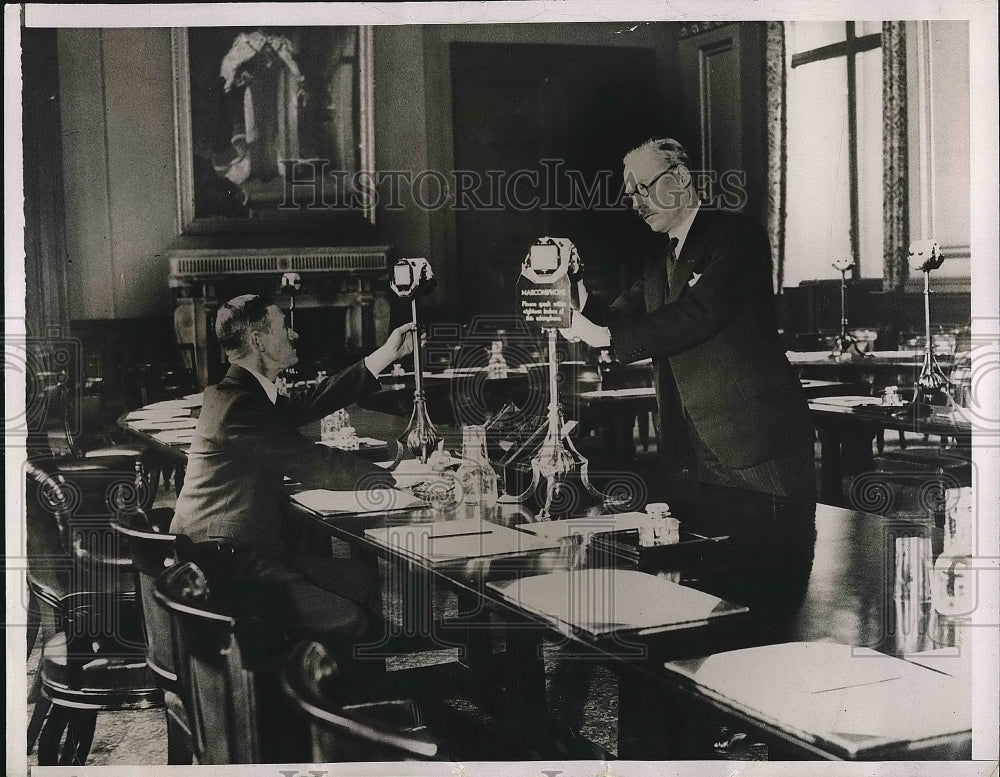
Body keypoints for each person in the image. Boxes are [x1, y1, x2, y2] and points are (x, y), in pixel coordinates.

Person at [561, 137, 816, 576]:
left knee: (776, 572)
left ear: (680, 177)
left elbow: (700, 313)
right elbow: (619, 317)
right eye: (630, 195)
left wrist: (601, 335)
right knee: (716, 579)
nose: (637, 203)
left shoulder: (736, 235)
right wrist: (574, 289)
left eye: (645, 187)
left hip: (755, 442)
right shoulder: (660, 261)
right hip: (692, 450)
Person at [170, 293, 414, 643]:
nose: (294, 335)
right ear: (259, 342)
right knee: (352, 618)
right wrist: (396, 481)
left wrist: (387, 354)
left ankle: (358, 691)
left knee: (360, 580)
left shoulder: (234, 393)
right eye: (284, 327)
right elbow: (315, 464)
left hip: (227, 552)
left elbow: (312, 401)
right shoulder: (239, 406)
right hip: (224, 567)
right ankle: (330, 691)